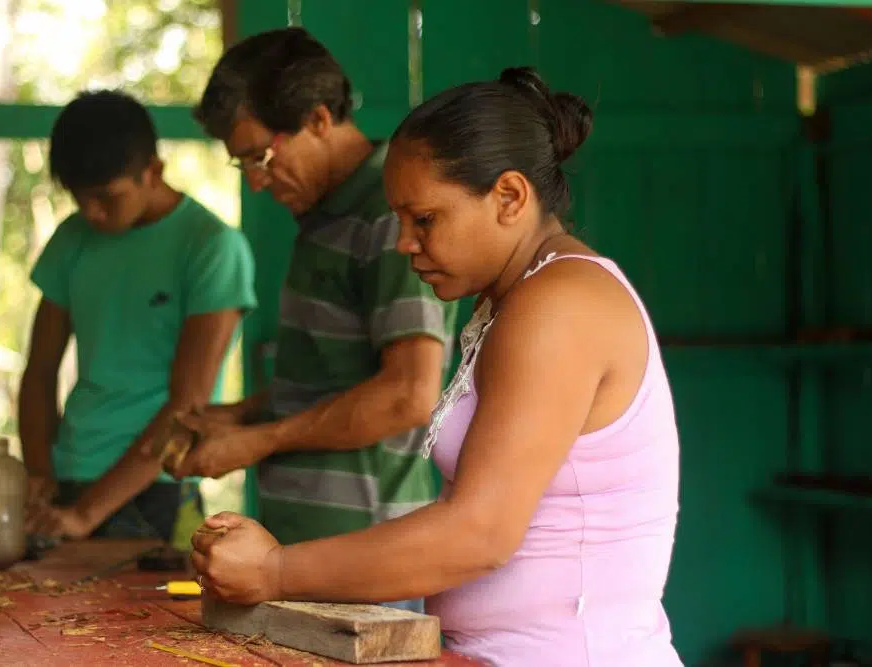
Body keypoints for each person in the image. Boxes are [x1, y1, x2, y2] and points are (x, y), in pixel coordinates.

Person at [188, 66, 683, 667]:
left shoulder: (559, 305)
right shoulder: (514, 298)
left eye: (424, 219)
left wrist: (275, 570)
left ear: (509, 197)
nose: (404, 243)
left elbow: (479, 533)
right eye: (399, 220)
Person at [176, 28, 457, 612]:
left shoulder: (388, 219)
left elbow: (408, 395)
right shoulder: (323, 216)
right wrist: (240, 416)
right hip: (304, 556)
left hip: (366, 561)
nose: (254, 180)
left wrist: (258, 441)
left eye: (261, 157)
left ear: (320, 118)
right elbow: (334, 378)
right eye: (242, 164)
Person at [18, 89, 256, 544]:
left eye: (107, 197)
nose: (91, 212)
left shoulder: (210, 246)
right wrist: (39, 473)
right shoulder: (72, 239)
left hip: (158, 487)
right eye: (78, 198)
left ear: (154, 171)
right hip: (69, 477)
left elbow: (187, 405)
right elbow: (39, 371)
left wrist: (87, 514)